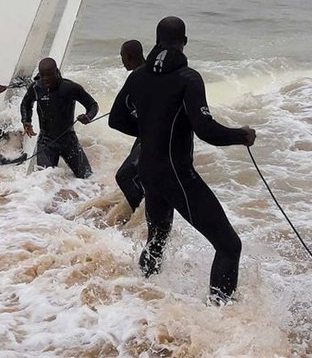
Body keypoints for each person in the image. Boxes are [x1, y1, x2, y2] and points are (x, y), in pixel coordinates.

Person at [109, 17, 256, 305]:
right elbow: (206, 131)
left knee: (158, 237)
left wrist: (149, 131)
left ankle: (142, 296)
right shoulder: (188, 78)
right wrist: (241, 135)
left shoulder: (137, 77)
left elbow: (116, 119)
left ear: (155, 40)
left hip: (148, 172)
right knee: (228, 245)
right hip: (176, 174)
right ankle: (219, 314)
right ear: (184, 42)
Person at [20, 57, 99, 178]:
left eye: (50, 76)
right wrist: (26, 122)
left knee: (87, 177)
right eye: (43, 76)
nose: (46, 80)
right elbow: (26, 104)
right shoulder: (36, 88)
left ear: (56, 71)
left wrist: (88, 117)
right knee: (44, 181)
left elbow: (93, 105)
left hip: (69, 141)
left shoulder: (70, 88)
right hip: (46, 142)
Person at [113, 40, 146, 213]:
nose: (122, 61)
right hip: (149, 132)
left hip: (151, 134)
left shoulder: (138, 77)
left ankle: (141, 214)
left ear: (130, 56)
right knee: (138, 173)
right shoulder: (150, 72)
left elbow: (115, 118)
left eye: (122, 56)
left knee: (124, 176)